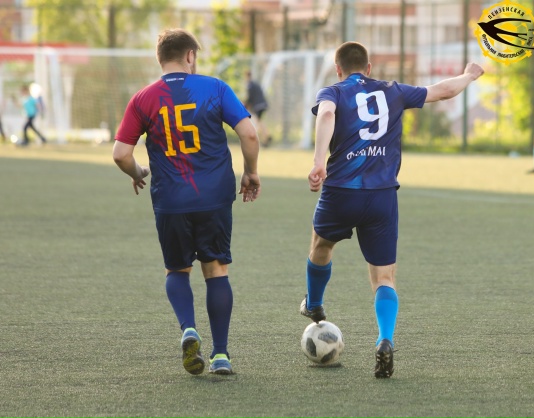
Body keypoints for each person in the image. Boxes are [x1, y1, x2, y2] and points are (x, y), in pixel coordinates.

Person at [299, 41, 484, 378]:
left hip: (341, 191)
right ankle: (384, 339)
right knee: (384, 277)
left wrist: (318, 162)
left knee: (321, 244)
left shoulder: (333, 91)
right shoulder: (394, 90)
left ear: (338, 69)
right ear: (369, 68)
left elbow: (325, 114)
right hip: (382, 196)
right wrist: (469, 75)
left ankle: (314, 302)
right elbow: (442, 91)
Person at [113, 28, 261, 376]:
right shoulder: (215, 88)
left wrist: (138, 172)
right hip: (214, 197)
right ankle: (221, 355)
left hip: (171, 199)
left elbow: (120, 154)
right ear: (191, 55)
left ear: (160, 58)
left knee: (177, 270)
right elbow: (249, 134)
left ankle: (189, 329)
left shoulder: (143, 99)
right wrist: (250, 172)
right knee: (216, 269)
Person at [245, 71, 272, 147]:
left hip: (258, 106)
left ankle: (264, 137)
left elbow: (250, 97)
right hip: (263, 104)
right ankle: (266, 136)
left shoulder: (250, 85)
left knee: (258, 122)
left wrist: (245, 105)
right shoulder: (255, 84)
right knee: (259, 121)